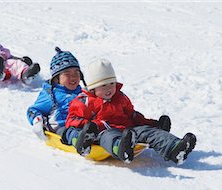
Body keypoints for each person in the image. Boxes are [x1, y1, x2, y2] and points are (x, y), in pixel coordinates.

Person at [64, 58, 196, 164]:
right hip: (104, 132)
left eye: (112, 83)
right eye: (103, 85)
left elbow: (132, 115)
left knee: (147, 131)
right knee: (108, 137)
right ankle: (121, 148)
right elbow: (72, 120)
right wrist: (93, 126)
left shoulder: (120, 97)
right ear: (92, 88)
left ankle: (174, 148)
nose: (109, 88)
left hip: (128, 131)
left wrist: (152, 124)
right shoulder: (84, 102)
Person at [26, 47, 83, 140]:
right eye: (67, 74)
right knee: (69, 132)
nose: (73, 77)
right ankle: (80, 140)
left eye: (76, 73)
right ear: (56, 78)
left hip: (82, 125)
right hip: (62, 128)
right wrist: (37, 121)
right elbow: (32, 110)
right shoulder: (51, 95)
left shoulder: (82, 93)